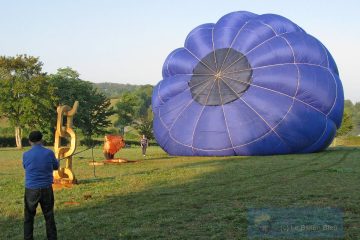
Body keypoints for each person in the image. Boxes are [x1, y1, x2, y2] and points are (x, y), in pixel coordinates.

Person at [23, 131, 59, 240]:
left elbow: (25, 166)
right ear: (41, 140)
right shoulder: (49, 153)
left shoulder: (25, 154)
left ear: (30, 141)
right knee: (49, 216)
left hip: (31, 189)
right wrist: (56, 161)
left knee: (29, 217)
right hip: (46, 188)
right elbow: (56, 167)